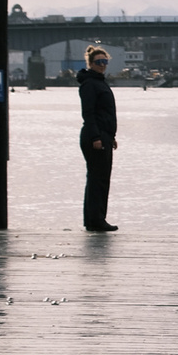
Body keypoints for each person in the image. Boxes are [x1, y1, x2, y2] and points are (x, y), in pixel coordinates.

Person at [77, 46, 118, 232]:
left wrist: (112, 137)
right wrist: (96, 137)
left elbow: (106, 114)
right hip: (95, 136)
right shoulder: (89, 84)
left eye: (105, 62)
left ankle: (95, 219)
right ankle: (96, 220)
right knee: (97, 179)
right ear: (90, 63)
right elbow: (89, 113)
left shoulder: (99, 82)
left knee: (100, 178)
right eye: (98, 62)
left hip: (104, 136)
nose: (102, 65)